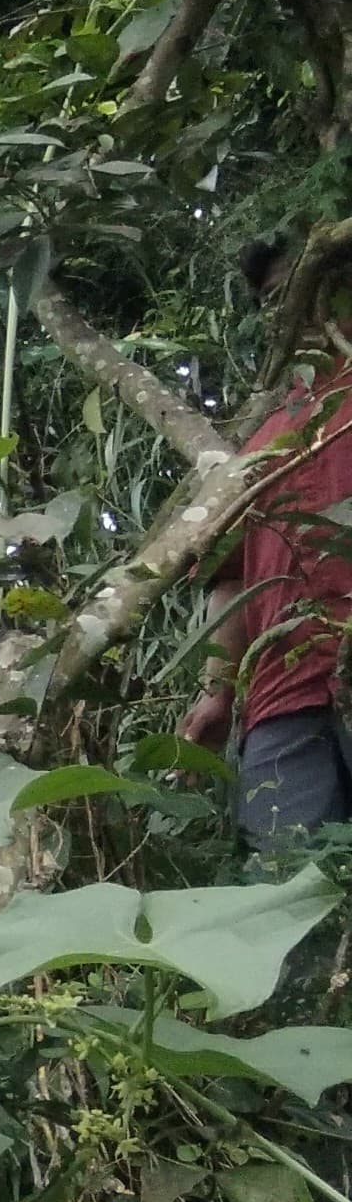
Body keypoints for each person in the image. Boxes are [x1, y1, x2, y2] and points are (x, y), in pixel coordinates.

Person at [184, 318, 352, 845]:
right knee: (287, 885)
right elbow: (231, 581)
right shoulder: (267, 433)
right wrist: (218, 692)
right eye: (273, 300)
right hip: (281, 697)